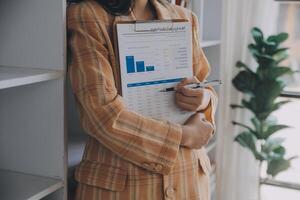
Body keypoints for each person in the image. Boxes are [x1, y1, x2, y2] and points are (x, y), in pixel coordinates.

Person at [67, 0, 218, 199]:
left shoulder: (184, 17)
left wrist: (204, 98)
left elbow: (203, 85)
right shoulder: (88, 15)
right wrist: (185, 135)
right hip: (124, 186)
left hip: (190, 179)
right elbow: (102, 115)